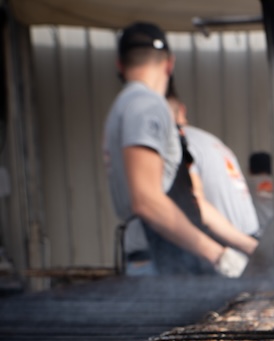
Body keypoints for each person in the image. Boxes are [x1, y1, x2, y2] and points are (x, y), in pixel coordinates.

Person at [104, 22, 257, 277]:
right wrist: (218, 255)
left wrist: (250, 248)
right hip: (162, 258)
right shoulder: (146, 105)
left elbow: (194, 202)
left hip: (169, 256)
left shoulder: (125, 106)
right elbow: (146, 201)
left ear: (120, 65)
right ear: (169, 64)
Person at [165, 88, 261, 240]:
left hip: (226, 242)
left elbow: (195, 202)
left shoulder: (177, 143)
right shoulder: (210, 141)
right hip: (248, 235)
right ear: (182, 109)